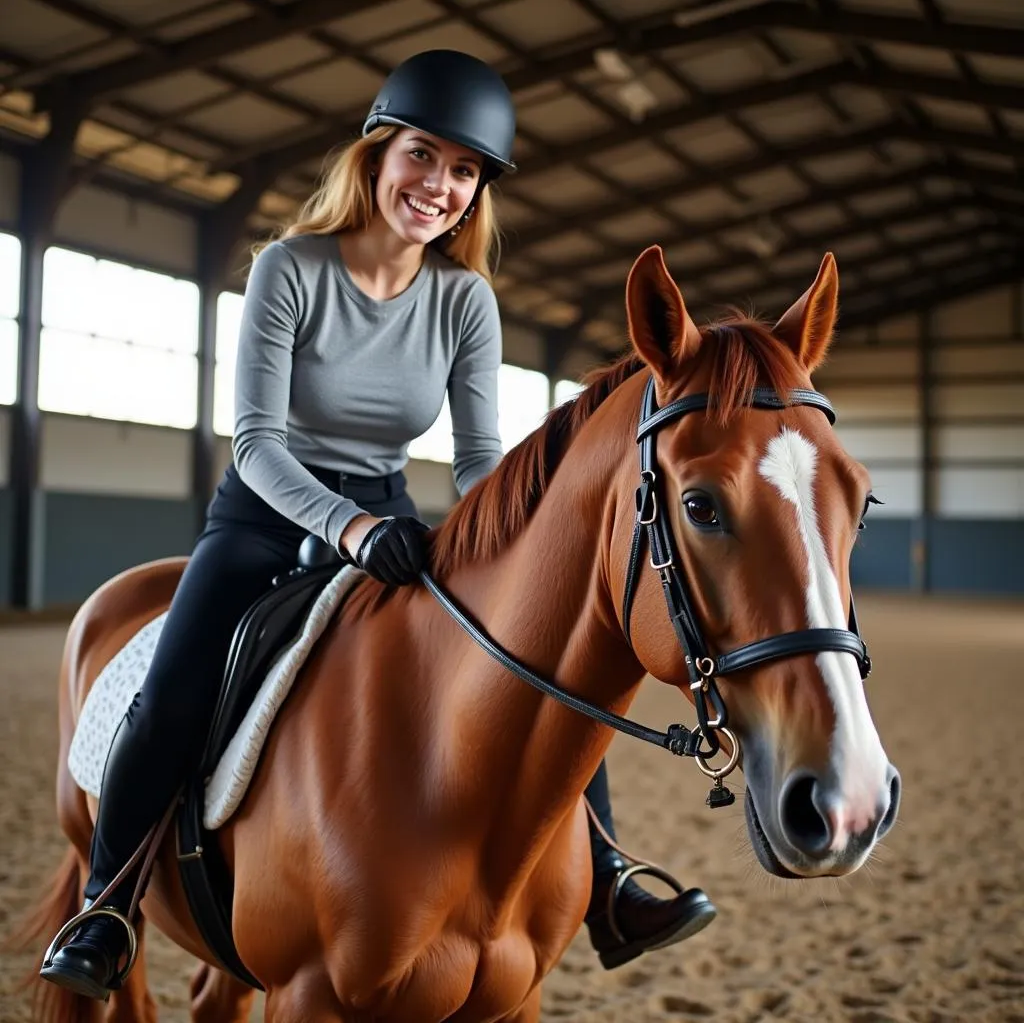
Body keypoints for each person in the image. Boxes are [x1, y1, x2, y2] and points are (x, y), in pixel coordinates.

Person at [40, 49, 715, 1001]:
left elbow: (484, 460)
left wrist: (502, 547)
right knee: (178, 686)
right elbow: (258, 441)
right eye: (423, 157)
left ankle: (606, 879)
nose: (439, 187)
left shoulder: (465, 301)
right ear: (375, 155)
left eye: (464, 171)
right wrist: (350, 530)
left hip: (397, 516)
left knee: (541, 670)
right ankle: (107, 907)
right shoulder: (289, 270)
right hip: (269, 515)